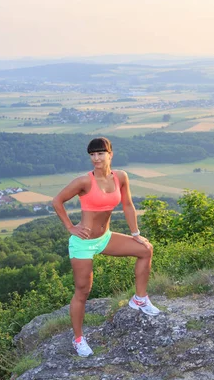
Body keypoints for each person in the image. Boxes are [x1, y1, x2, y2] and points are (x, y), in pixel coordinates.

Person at [52, 137, 160, 358]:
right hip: (83, 243)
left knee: (145, 249)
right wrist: (70, 227)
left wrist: (136, 234)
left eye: (101, 153)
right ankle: (79, 339)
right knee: (83, 291)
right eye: (92, 154)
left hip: (105, 238)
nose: (96, 158)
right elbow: (57, 201)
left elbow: (128, 205)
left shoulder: (120, 177)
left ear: (110, 154)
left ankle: (139, 299)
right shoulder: (84, 181)